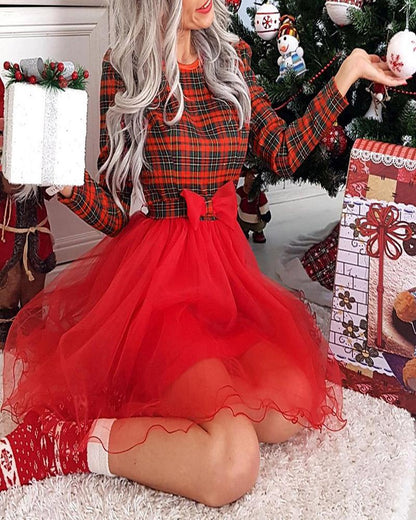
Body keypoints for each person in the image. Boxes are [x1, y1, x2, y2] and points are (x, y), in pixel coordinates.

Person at [0, 0, 408, 506]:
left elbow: (282, 151)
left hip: (225, 272)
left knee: (288, 408)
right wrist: (65, 184)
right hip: (161, 281)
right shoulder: (125, 69)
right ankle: (64, 445)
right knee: (232, 464)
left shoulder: (232, 58)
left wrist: (347, 73)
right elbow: (115, 214)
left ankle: (182, 394)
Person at [0, 83, 56, 349]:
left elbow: (51, 189)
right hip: (6, 233)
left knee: (34, 303)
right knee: (6, 293)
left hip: (36, 233)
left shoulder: (39, 138)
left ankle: (32, 347)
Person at [236, 166, 271, 243]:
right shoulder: (260, 195)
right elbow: (264, 210)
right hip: (255, 222)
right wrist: (266, 216)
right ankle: (258, 233)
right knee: (259, 225)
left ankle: (245, 232)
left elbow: (234, 204)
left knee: (240, 222)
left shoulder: (240, 192)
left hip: (243, 220)